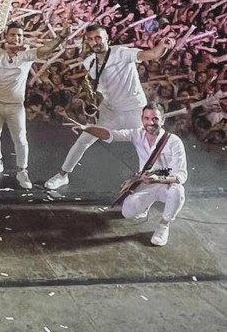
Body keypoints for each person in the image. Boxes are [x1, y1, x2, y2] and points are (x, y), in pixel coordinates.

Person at [44, 26, 177, 196]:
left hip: (133, 110)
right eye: (91, 39)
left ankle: (162, 182)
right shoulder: (89, 62)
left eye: (98, 37)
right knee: (84, 139)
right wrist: (92, 102)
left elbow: (151, 55)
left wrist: (163, 45)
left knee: (150, 148)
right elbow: (101, 89)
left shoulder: (121, 53)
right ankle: (63, 175)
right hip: (109, 110)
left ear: (107, 38)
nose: (95, 42)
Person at [64, 103, 186, 246]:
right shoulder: (137, 134)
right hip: (146, 183)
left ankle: (164, 225)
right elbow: (111, 135)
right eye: (146, 118)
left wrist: (158, 178)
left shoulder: (174, 141)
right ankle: (145, 206)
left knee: (178, 191)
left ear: (163, 120)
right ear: (142, 119)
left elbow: (181, 176)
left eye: (155, 119)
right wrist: (86, 128)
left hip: (166, 185)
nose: (150, 123)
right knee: (127, 212)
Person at [0, 21, 70, 189]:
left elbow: (46, 49)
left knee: (20, 138)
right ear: (6, 36)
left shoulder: (26, 55)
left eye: (19, 35)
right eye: (12, 34)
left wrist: (62, 36)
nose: (16, 38)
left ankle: (22, 171)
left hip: (15, 106)